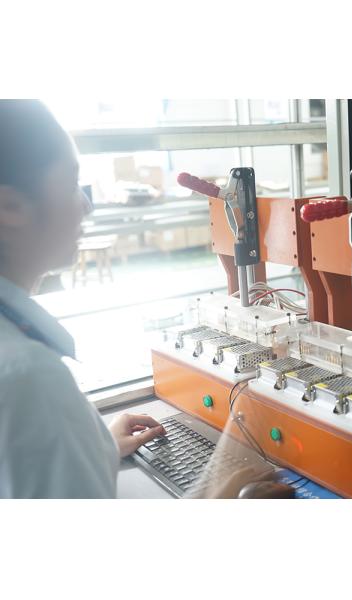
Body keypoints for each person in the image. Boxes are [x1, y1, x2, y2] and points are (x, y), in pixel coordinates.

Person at [0, 100, 167, 498]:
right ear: (10, 206)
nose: (86, 206)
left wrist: (92, 445)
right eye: (72, 183)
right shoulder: (29, 377)